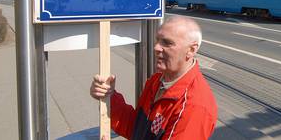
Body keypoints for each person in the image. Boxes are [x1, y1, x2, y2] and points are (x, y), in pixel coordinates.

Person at [90, 16, 218, 139]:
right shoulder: (157, 80)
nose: (156, 47)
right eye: (158, 40)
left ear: (191, 50)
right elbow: (136, 129)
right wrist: (109, 96)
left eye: (167, 43)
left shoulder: (195, 106)